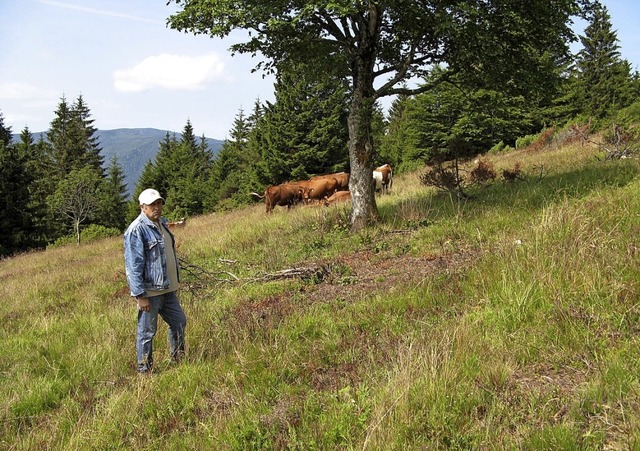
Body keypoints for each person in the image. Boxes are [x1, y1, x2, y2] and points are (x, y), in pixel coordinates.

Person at [124, 188, 187, 374]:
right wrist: (139, 296)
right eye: (152, 205)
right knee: (146, 333)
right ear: (142, 207)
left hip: (168, 290)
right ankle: (145, 371)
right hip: (150, 294)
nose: (157, 208)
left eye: (159, 203)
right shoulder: (136, 230)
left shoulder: (162, 224)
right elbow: (133, 266)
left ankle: (178, 359)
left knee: (179, 322)